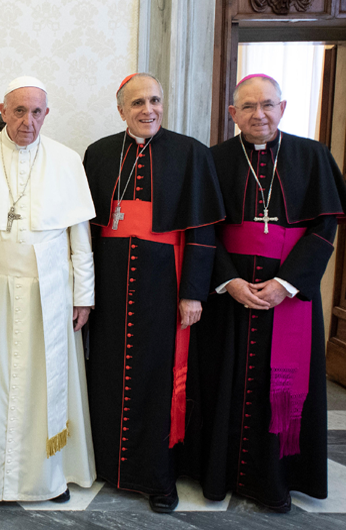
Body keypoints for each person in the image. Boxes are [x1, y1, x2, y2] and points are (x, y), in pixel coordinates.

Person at [192, 74, 346, 512]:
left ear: (282, 108)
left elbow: (324, 229)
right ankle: (219, 475)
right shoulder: (214, 159)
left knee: (278, 387)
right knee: (222, 382)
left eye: (267, 105)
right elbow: (204, 229)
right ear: (232, 114)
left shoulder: (312, 156)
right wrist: (229, 282)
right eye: (247, 107)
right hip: (232, 296)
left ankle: (277, 480)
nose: (258, 114)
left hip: (289, 296)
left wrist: (287, 284)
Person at [0, 76, 97, 503]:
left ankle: (48, 477)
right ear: (4, 110)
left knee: (47, 383)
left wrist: (84, 295)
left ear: (47, 114)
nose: (29, 121)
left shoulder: (66, 161)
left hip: (50, 291)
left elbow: (79, 237)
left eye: (37, 111)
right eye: (20, 111)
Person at [83, 73, 225, 513]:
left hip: (164, 286)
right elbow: (84, 228)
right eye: (139, 102)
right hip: (108, 285)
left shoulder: (190, 153)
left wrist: (193, 293)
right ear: (121, 109)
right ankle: (107, 465)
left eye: (156, 100)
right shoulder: (99, 153)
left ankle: (158, 477)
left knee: (156, 380)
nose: (149, 110)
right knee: (106, 372)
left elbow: (202, 231)